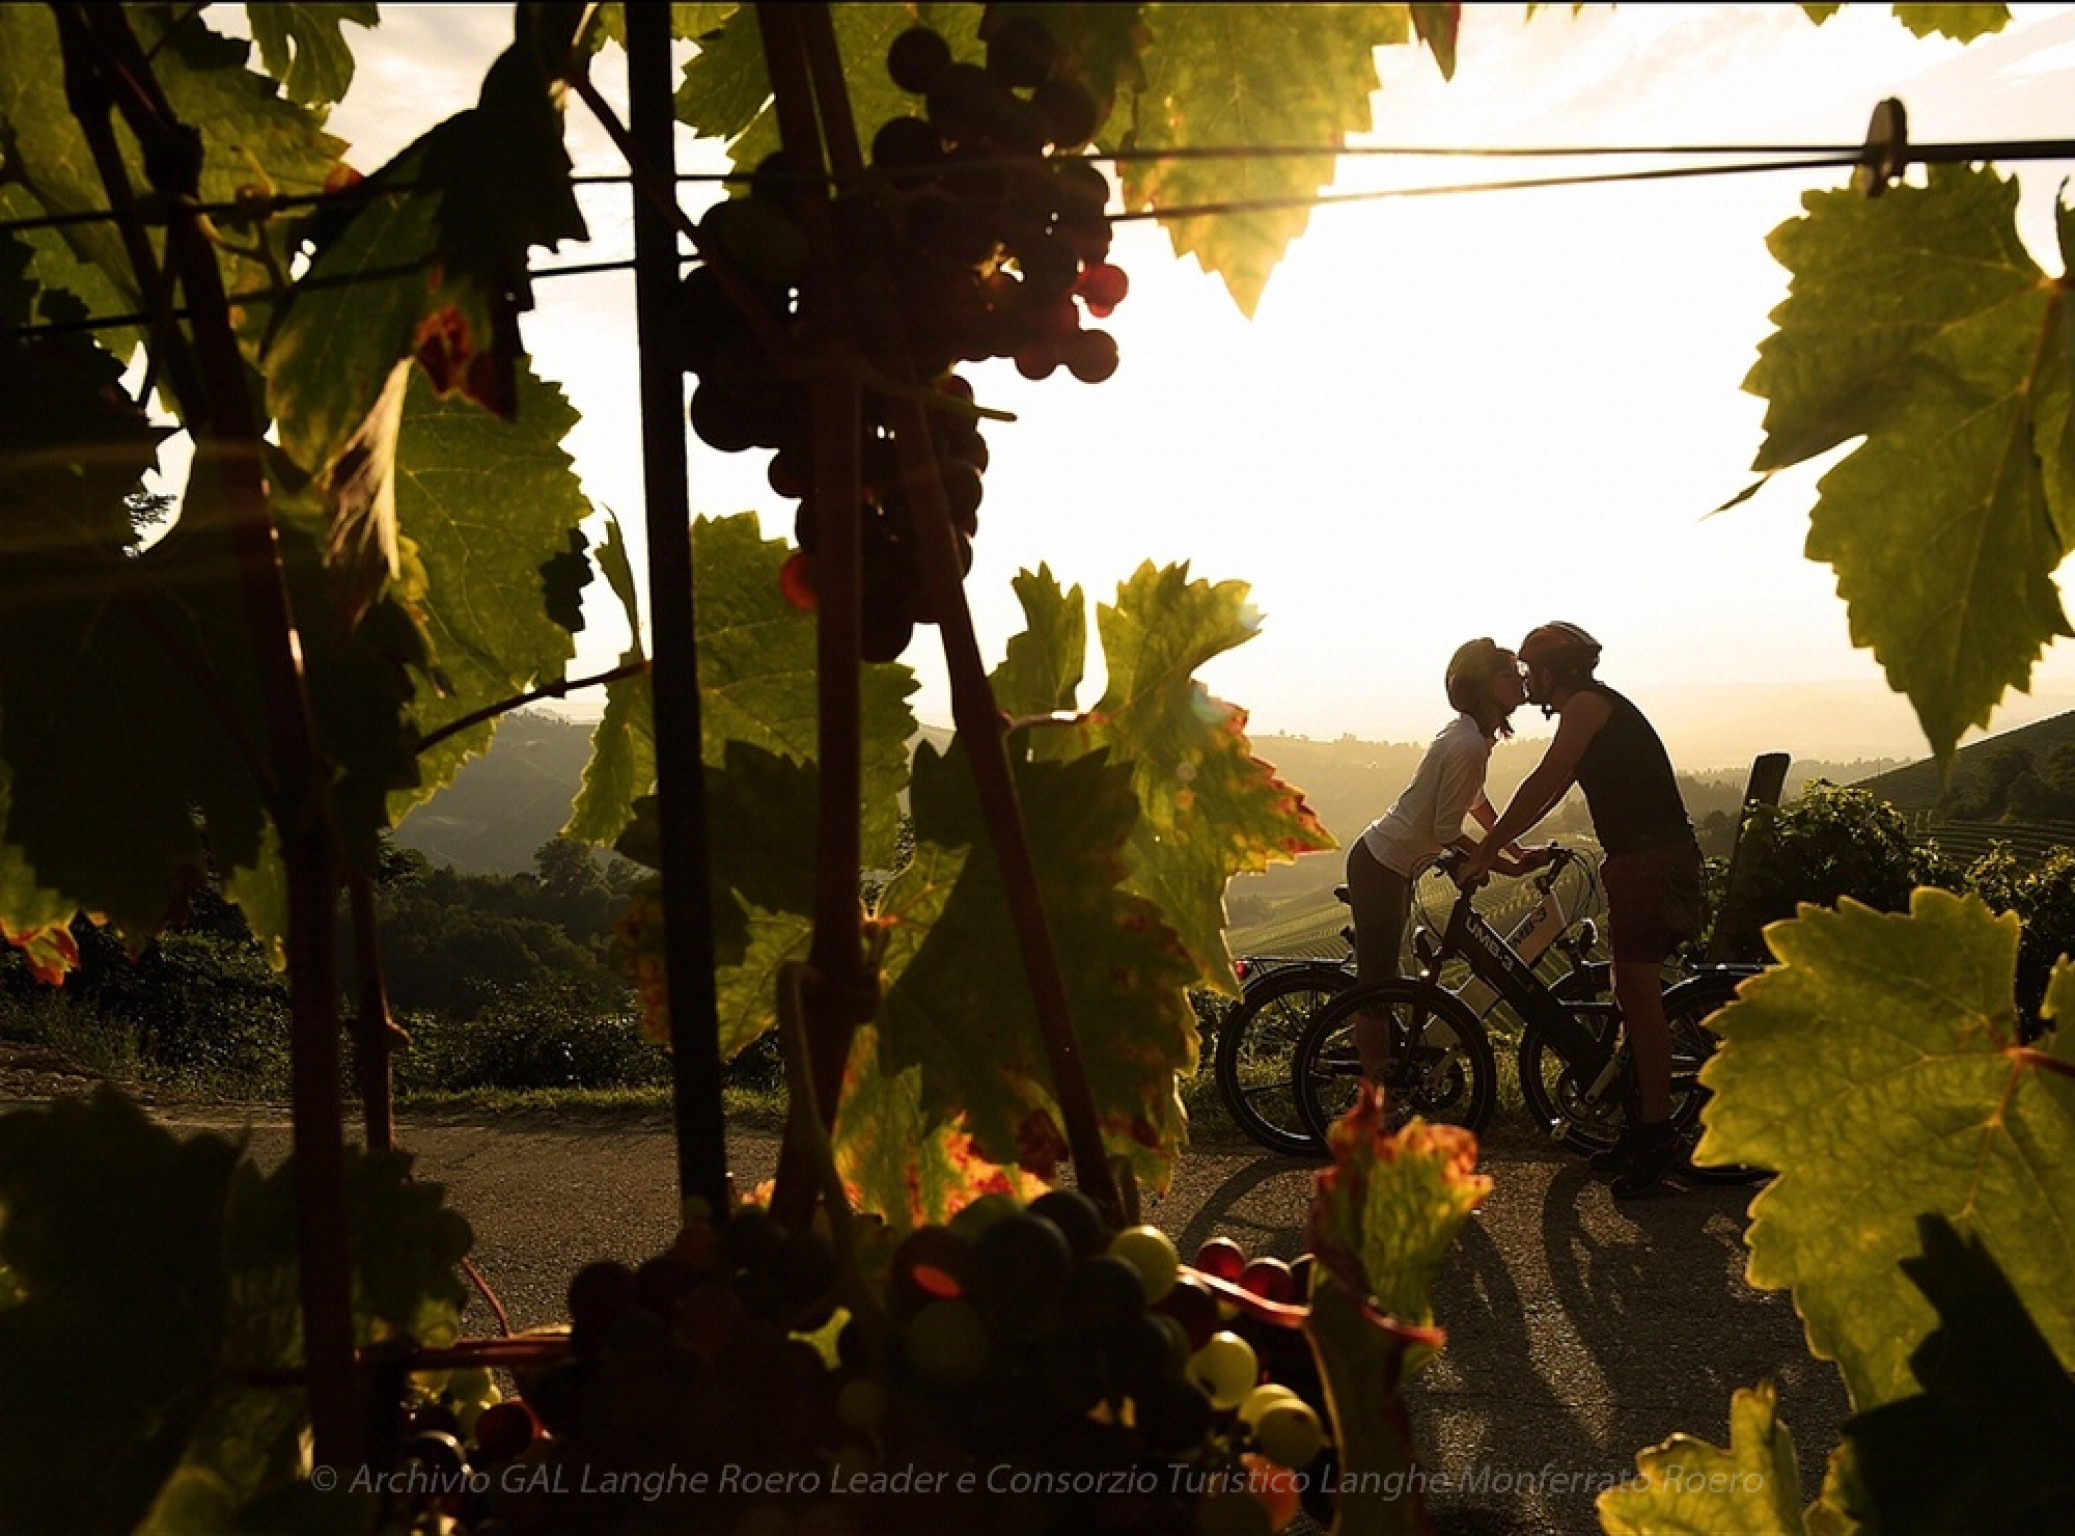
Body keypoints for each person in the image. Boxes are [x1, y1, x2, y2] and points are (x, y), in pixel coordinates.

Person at [1454, 622, 1703, 1198]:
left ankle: (1659, 1135)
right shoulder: (1596, 703)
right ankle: (1641, 1128)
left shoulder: (1586, 706)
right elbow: (1552, 788)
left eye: (1531, 672)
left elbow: (1547, 781)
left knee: (1640, 1000)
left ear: (1549, 674)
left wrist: (1491, 848)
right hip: (1641, 861)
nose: (1527, 683)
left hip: (1650, 864)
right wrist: (1503, 844)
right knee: (1629, 995)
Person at [1346, 638, 1548, 1086]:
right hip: (1383, 864)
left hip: (1388, 862)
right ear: (1483, 686)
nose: (1520, 679)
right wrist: (1504, 862)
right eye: (1508, 673)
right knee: (1376, 992)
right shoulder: (1468, 745)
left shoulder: (1471, 737)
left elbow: (1474, 801)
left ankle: (1377, 1063)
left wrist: (1512, 848)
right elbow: (1444, 830)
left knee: (1385, 982)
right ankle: (1379, 1102)